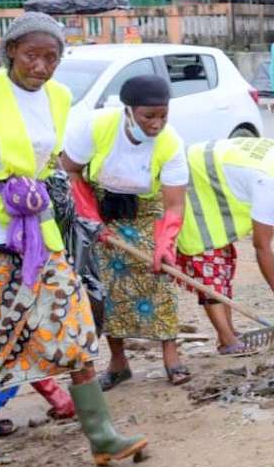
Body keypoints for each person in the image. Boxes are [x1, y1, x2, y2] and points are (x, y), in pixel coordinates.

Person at [0, 13, 145, 467]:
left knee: (72, 326)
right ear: (11, 50)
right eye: (32, 55)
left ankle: (103, 437)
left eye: (52, 57)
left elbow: (48, 159)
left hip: (35, 234)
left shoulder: (60, 96)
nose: (42, 66)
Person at [61, 74, 190, 389]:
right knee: (106, 287)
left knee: (160, 280)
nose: (156, 124)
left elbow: (174, 205)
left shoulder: (171, 143)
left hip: (147, 212)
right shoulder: (94, 127)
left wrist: (165, 244)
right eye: (148, 116)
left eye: (163, 115)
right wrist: (92, 218)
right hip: (99, 206)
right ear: (128, 111)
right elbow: (69, 169)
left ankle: (171, 357)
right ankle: (119, 363)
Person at [175, 139, 274, 355]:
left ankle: (229, 333)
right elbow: (261, 247)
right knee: (210, 269)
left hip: (205, 179)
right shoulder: (269, 182)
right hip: (193, 185)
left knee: (223, 264)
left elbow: (253, 190)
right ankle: (227, 341)